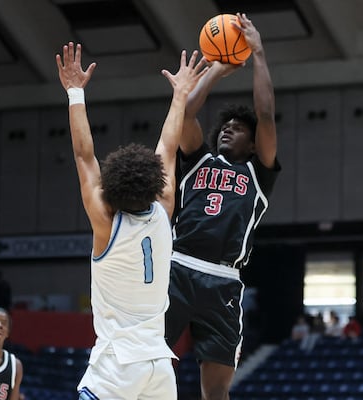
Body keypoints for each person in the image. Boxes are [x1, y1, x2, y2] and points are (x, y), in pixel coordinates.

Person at [55, 41, 207, 399]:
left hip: (118, 365)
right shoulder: (164, 209)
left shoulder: (106, 225)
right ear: (155, 184)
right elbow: (168, 146)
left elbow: (83, 155)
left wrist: (75, 93)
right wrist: (180, 94)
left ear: (111, 188)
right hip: (158, 365)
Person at [164, 12, 280, 399]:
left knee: (216, 392)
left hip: (223, 281)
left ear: (252, 142)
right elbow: (185, 114)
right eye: (225, 125)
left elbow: (265, 114)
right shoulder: (199, 159)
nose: (229, 127)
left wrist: (258, 53)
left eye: (238, 127)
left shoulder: (258, 173)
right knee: (146, 368)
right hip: (176, 268)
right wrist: (217, 68)